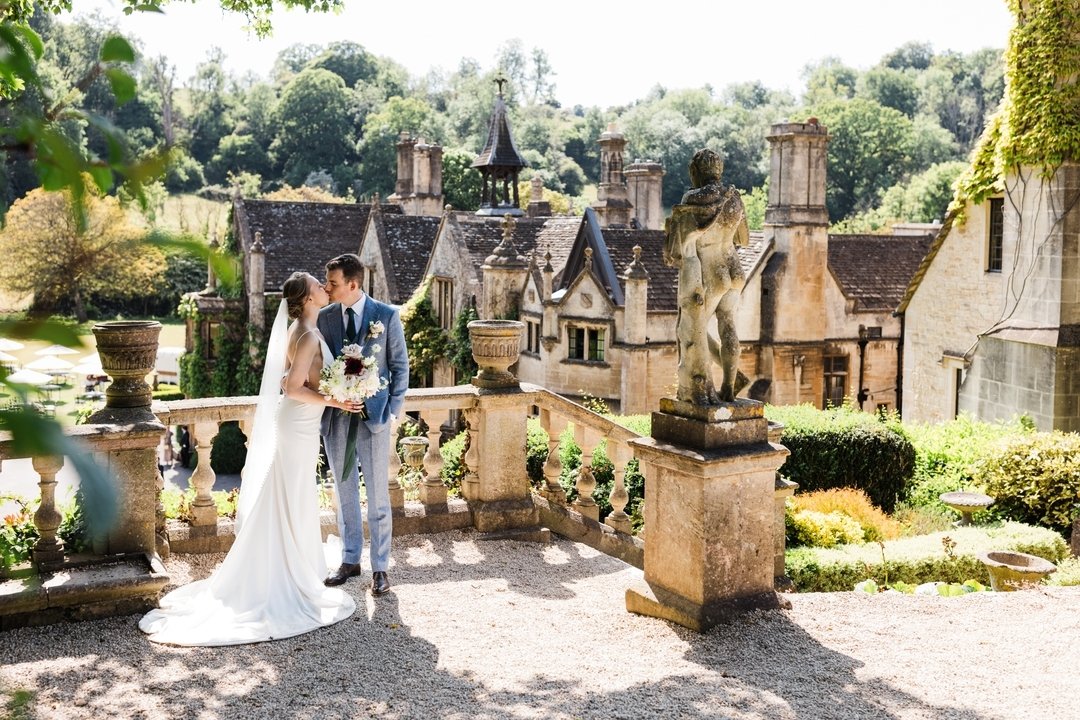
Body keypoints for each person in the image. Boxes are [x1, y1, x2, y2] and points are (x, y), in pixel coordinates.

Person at [139, 273, 361, 646]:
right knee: (289, 494)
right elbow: (291, 388)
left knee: (292, 494)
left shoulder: (300, 328)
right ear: (307, 299)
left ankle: (293, 565)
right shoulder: (306, 334)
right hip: (299, 423)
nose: (325, 287)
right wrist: (337, 399)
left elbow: (294, 381)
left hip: (301, 423)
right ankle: (285, 574)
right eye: (317, 285)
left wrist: (343, 381)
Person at [318, 253, 409, 595]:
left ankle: (381, 569)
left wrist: (391, 410)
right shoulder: (325, 318)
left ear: (353, 285)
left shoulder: (386, 316)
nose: (327, 288)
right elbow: (319, 364)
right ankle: (350, 558)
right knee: (344, 495)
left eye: (333, 283)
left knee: (378, 496)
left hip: (375, 419)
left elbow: (400, 367)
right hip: (336, 418)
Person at [663, 148, 749, 405]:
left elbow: (677, 246)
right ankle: (730, 386)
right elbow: (742, 238)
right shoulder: (735, 198)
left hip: (712, 272)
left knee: (693, 329)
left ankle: (702, 387)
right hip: (734, 269)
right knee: (728, 325)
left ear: (697, 172)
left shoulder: (695, 196)